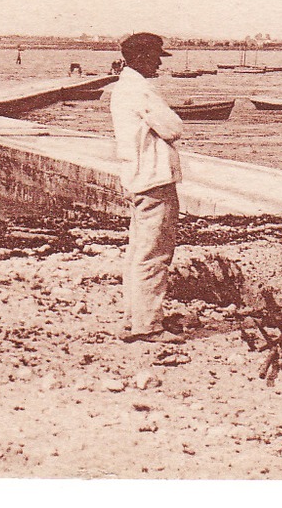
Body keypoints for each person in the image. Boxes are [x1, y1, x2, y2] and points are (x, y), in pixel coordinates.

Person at [108, 31, 186, 344]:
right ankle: (148, 326)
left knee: (138, 251)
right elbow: (173, 127)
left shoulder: (123, 87)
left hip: (137, 177)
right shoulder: (140, 90)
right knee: (154, 254)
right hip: (154, 179)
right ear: (141, 58)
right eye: (155, 57)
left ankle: (134, 318)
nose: (158, 63)